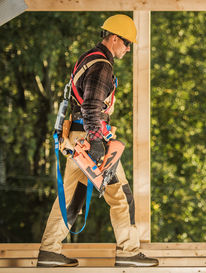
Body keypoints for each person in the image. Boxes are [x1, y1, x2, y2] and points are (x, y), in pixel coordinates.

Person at [36, 14, 159, 267]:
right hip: (89, 139)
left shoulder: (87, 59)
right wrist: (98, 142)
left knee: (71, 197)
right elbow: (92, 106)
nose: (128, 48)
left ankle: (49, 251)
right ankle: (128, 252)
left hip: (77, 139)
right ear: (114, 38)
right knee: (121, 195)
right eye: (127, 43)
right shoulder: (103, 65)